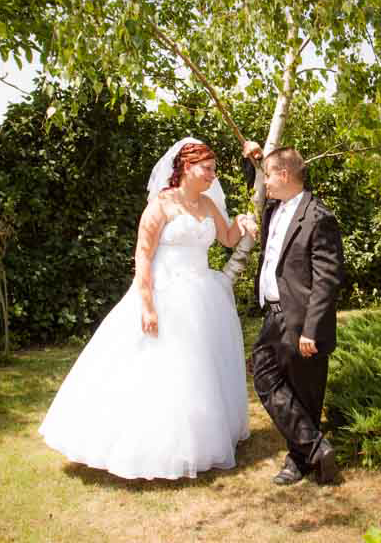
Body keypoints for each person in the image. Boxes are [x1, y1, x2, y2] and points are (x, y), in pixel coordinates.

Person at [39, 137, 257, 480]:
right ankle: (150, 445)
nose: (213, 175)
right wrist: (147, 305)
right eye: (207, 169)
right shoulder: (161, 204)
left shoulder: (207, 204)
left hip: (202, 295)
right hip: (164, 293)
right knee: (159, 369)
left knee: (199, 370)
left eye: (214, 170)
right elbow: (143, 254)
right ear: (187, 167)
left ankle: (197, 443)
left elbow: (227, 239)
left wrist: (242, 223)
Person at [244, 144, 346, 485]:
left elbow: (327, 278)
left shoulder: (319, 217)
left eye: (269, 175)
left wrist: (311, 330)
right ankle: (316, 447)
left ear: (285, 175)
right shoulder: (274, 208)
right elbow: (257, 185)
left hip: (302, 320)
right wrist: (253, 160)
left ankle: (299, 460)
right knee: (263, 376)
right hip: (274, 316)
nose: (265, 182)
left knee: (304, 393)